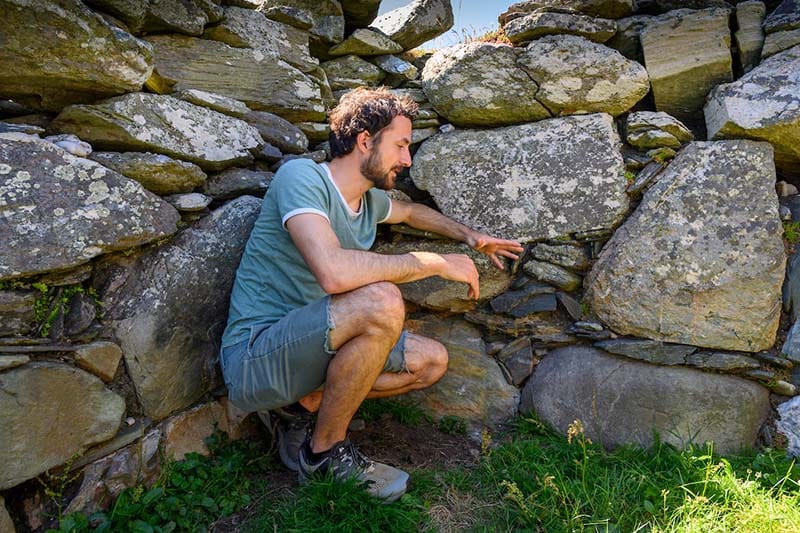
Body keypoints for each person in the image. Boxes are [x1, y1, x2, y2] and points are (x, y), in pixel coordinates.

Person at [219, 87, 523, 502]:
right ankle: (324, 453)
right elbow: (333, 272)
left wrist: (472, 238)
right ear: (365, 140)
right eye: (400, 145)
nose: (407, 159)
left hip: (318, 345)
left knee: (431, 362)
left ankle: (301, 408)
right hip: (256, 356)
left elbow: (412, 212)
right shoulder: (302, 179)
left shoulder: (367, 201)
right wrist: (432, 262)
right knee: (381, 301)